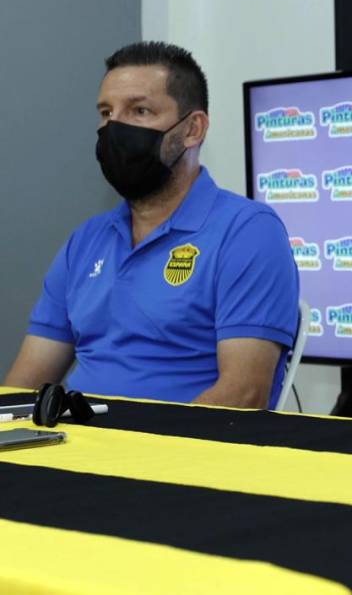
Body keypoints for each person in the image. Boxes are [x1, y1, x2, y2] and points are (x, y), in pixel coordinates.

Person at [4, 42, 298, 409]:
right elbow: (23, 385)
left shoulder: (247, 232)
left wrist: (129, 450)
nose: (115, 128)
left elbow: (242, 396)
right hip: (74, 449)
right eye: (106, 112)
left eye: (139, 110)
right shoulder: (86, 241)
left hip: (180, 456)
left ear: (192, 129)